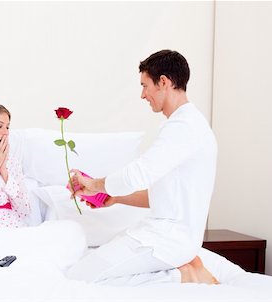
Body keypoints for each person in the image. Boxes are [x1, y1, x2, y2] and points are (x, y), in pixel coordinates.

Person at [66, 50, 219, 286]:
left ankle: (182, 275)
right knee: (90, 262)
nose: (142, 95)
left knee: (79, 278)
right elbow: (162, 195)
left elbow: (137, 174)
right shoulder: (184, 126)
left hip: (168, 239)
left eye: (145, 85)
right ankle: (183, 269)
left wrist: (95, 183)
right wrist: (114, 198)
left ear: (164, 82)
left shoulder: (184, 128)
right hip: (165, 235)